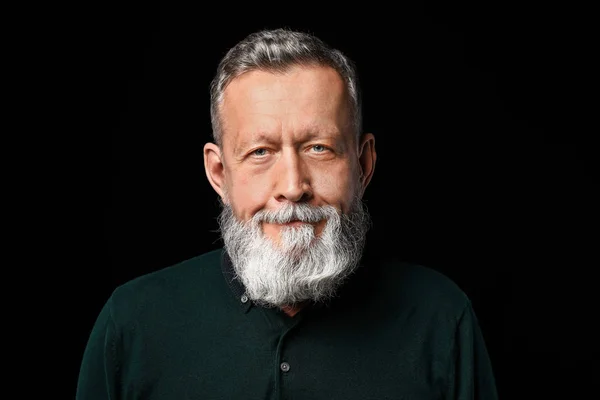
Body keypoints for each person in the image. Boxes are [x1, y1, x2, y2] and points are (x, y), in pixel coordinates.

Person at [77, 28, 499, 399]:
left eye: (319, 148)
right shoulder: (132, 324)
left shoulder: (441, 319)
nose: (293, 186)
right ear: (219, 173)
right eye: (260, 153)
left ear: (364, 165)